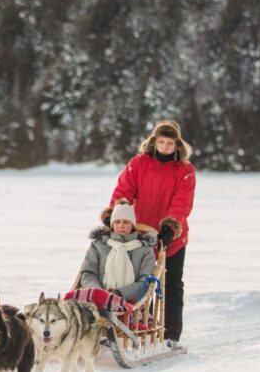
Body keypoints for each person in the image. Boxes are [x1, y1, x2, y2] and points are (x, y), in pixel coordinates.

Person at [109, 120, 195, 347]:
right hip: (139, 236)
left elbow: (182, 202)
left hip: (171, 239)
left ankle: (171, 335)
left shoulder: (185, 170)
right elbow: (124, 191)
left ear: (177, 145)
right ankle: (132, 326)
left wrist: (170, 226)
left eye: (170, 143)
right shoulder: (139, 164)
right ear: (154, 142)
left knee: (171, 284)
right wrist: (117, 216)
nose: (165, 147)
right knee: (134, 281)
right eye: (161, 142)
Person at [77, 199, 157, 307]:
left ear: (132, 225)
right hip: (97, 300)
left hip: (131, 303)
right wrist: (100, 294)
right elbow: (88, 274)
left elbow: (145, 282)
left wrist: (119, 293)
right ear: (111, 224)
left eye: (126, 222)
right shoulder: (98, 245)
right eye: (117, 222)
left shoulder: (145, 250)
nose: (121, 226)